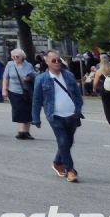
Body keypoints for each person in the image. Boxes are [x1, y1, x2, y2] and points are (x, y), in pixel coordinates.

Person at [31, 50, 85, 183]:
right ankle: (70, 170)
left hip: (72, 114)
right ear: (47, 62)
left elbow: (77, 94)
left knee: (69, 142)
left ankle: (57, 162)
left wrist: (78, 108)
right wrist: (36, 118)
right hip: (55, 115)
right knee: (63, 141)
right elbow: (37, 100)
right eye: (54, 60)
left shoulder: (69, 75)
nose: (57, 63)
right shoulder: (41, 79)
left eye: (59, 60)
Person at [4, 49, 36, 140]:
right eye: (13, 57)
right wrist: (4, 90)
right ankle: (21, 131)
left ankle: (26, 132)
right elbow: (5, 78)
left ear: (22, 57)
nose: (15, 58)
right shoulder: (10, 64)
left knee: (28, 111)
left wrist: (28, 78)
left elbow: (33, 75)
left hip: (26, 91)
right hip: (14, 91)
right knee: (19, 110)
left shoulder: (28, 65)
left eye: (17, 56)